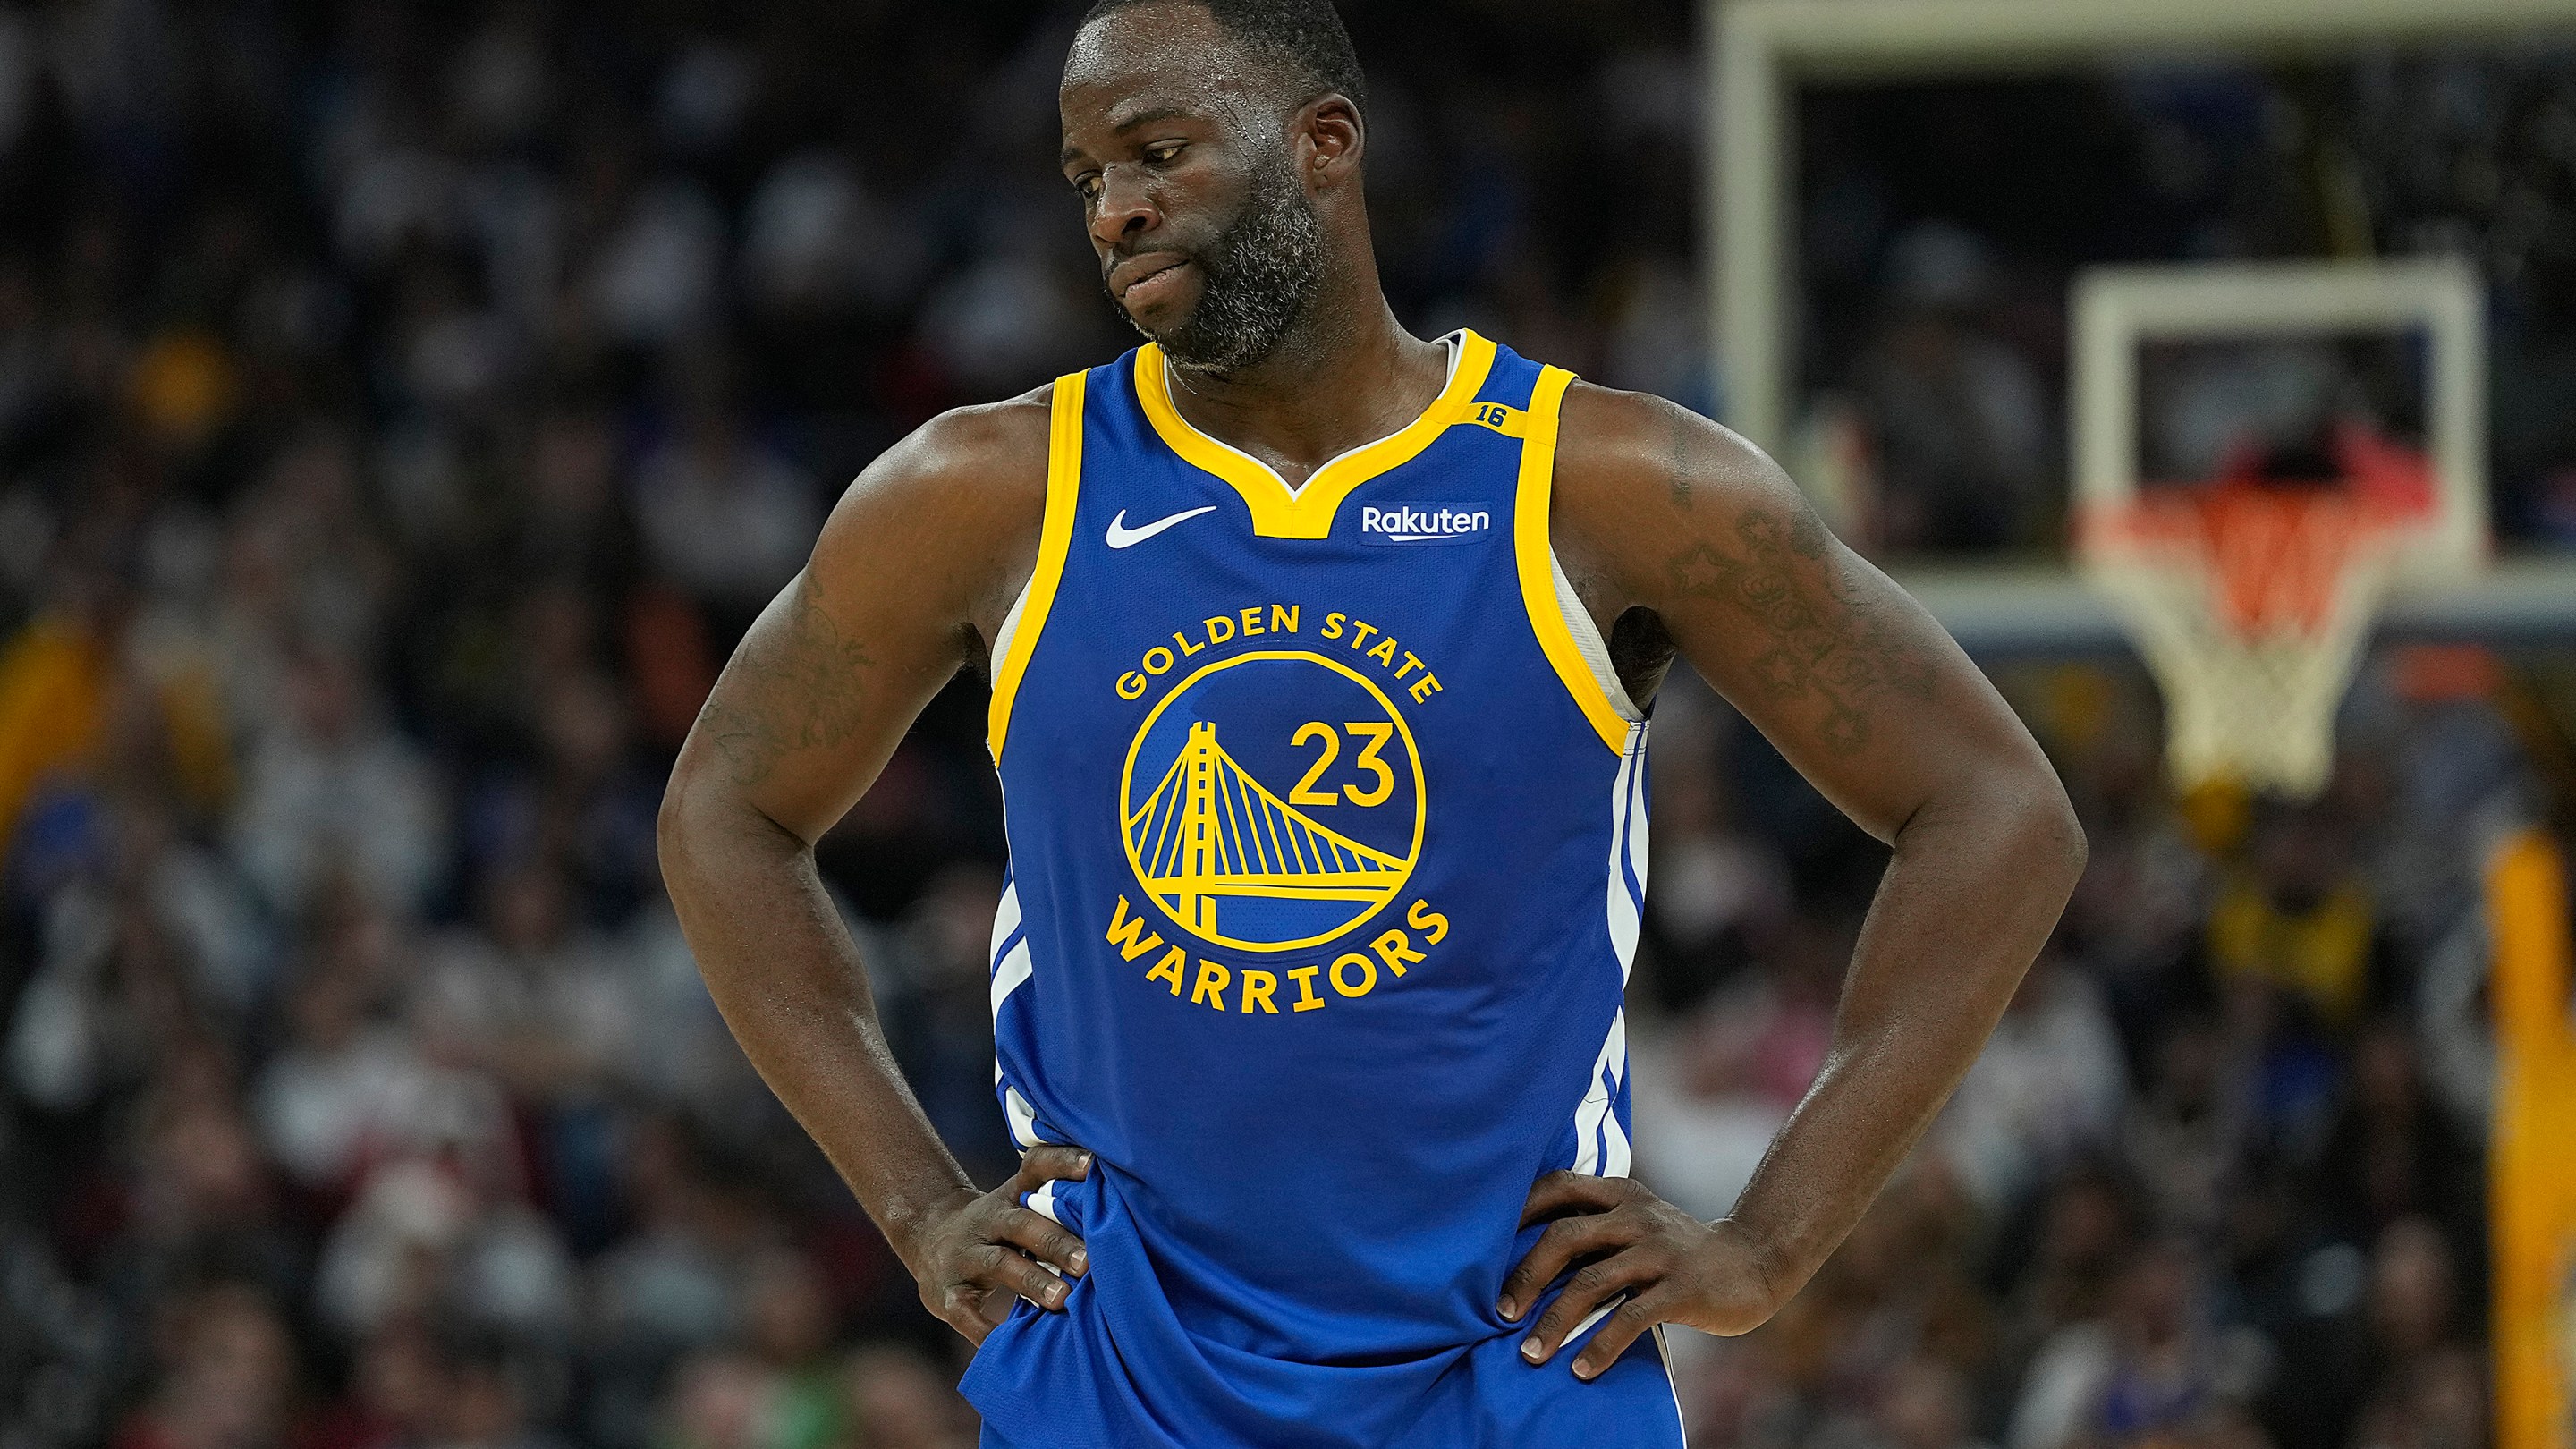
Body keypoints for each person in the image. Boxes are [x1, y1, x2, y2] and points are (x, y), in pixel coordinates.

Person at [655, 1, 2086, 1444]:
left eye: (1158, 154)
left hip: (1517, 1366)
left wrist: (1770, 1241)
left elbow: (1997, 814)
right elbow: (727, 811)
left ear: (1322, 144)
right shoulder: (981, 493)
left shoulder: (1614, 486)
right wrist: (915, 1205)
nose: (1117, 211)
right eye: (1089, 179)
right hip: (1125, 1370)